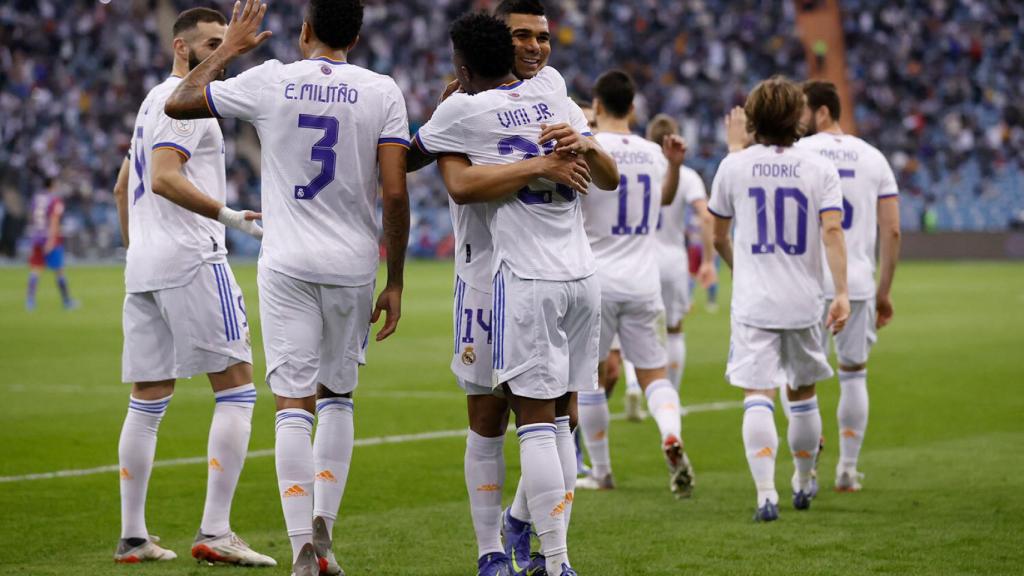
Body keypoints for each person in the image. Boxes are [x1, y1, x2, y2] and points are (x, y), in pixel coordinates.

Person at [165, 1, 410, 574]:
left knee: (292, 404)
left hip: (287, 262)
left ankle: (303, 545)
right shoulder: (383, 90)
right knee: (339, 397)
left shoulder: (271, 80)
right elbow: (396, 194)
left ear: (304, 33)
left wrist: (227, 50)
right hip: (351, 265)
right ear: (356, 35)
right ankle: (326, 527)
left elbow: (178, 102)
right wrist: (395, 278)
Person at [409, 10, 616, 575]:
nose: (535, 46)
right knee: (490, 416)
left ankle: (529, 525)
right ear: (503, 43)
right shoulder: (490, 103)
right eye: (522, 36)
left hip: (529, 275)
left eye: (544, 37)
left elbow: (423, 162)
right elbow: (438, 167)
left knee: (556, 418)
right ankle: (492, 552)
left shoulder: (548, 91)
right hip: (483, 277)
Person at [113, 7, 272, 566]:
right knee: (237, 389)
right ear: (183, 48)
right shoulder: (188, 102)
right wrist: (229, 218)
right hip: (192, 260)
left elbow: (121, 188)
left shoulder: (150, 100)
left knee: (148, 401)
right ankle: (216, 529)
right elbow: (162, 177)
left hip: (145, 268)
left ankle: (133, 535)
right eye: (212, 44)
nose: (222, 53)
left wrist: (141, 253)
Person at [708, 76, 850, 522]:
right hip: (805, 300)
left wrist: (742, 266)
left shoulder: (733, 165)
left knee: (758, 394)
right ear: (799, 118)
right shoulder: (820, 168)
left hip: (755, 302)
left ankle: (766, 494)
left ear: (752, 119)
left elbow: (717, 235)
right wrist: (842, 292)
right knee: (803, 393)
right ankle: (804, 481)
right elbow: (831, 231)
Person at [575, 69, 693, 497]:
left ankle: (601, 471)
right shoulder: (652, 152)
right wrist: (675, 168)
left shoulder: (589, 146)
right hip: (645, 282)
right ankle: (669, 432)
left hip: (597, 278)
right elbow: (662, 198)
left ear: (599, 105)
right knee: (654, 375)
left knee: (588, 379)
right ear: (635, 107)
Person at [797, 80, 901, 492]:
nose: (797, 119)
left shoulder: (797, 154)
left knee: (802, 383)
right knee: (854, 374)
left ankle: (805, 471)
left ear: (821, 112)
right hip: (855, 283)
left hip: (806, 283)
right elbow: (892, 230)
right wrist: (884, 291)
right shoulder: (873, 157)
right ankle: (847, 470)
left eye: (803, 110)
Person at [647, 114, 717, 396]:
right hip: (674, 258)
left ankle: (633, 384)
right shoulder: (687, 176)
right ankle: (672, 396)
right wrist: (709, 261)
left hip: (641, 257)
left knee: (634, 329)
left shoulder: (641, 169)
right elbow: (706, 217)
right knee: (675, 329)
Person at [26, 178, 76, 310]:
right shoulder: (55, 200)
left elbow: (31, 218)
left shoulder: (36, 199)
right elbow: (54, 220)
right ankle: (67, 301)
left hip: (37, 237)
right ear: (52, 185)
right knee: (59, 271)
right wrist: (51, 241)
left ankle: (30, 301)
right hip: (51, 239)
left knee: (35, 270)